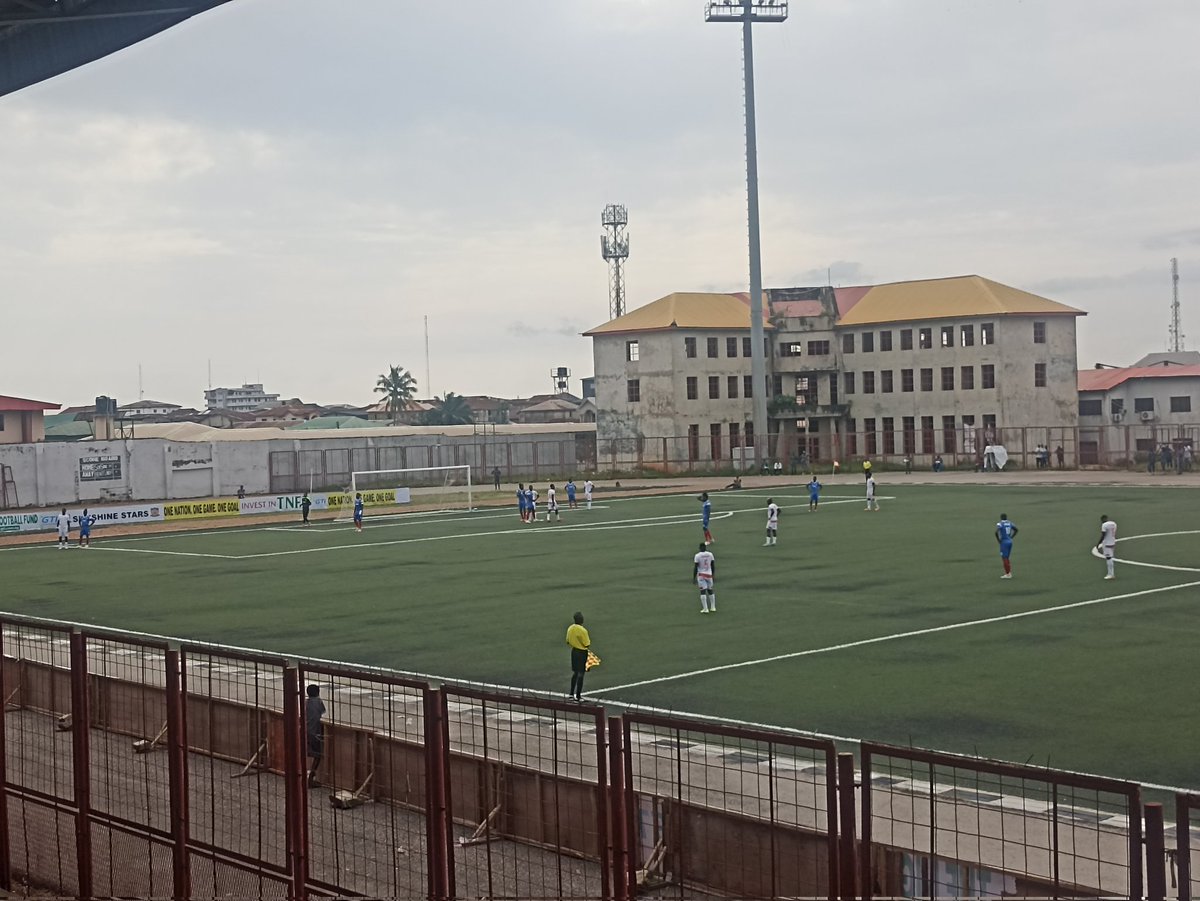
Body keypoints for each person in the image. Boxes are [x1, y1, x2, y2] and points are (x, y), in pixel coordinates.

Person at [565, 612, 590, 702]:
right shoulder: (583, 630)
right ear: (581, 620)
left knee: (575, 673)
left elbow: (567, 641)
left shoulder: (570, 628)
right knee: (581, 674)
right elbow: (587, 644)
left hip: (574, 651)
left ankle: (571, 694)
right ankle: (578, 696)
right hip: (582, 652)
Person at [305, 683, 326, 787]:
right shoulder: (318, 702)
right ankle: (311, 778)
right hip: (314, 732)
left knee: (305, 753)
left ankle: (306, 776)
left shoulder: (306, 702)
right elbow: (322, 712)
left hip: (305, 731)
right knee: (318, 755)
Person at [693, 541, 716, 613]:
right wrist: (713, 574)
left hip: (701, 575)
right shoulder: (710, 554)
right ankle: (713, 607)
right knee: (710, 590)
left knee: (702, 591)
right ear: (705, 547)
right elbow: (712, 565)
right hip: (709, 574)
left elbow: (695, 567)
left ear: (699, 548)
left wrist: (694, 577)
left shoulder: (697, 556)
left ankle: (705, 609)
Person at [995, 513, 1019, 579]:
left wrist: (999, 540)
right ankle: (1009, 572)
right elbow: (1016, 530)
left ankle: (1008, 574)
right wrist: (1011, 537)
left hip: (1004, 542)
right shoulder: (1010, 523)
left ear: (1001, 518)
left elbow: (996, 532)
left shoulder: (1000, 524)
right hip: (1010, 541)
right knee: (1007, 557)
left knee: (1004, 558)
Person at [1096, 514, 1117, 580]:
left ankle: (1111, 574)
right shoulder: (1113, 523)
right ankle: (1111, 573)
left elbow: (1103, 535)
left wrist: (1098, 543)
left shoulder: (1104, 525)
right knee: (1110, 557)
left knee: (1108, 558)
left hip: (1107, 543)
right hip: (1112, 542)